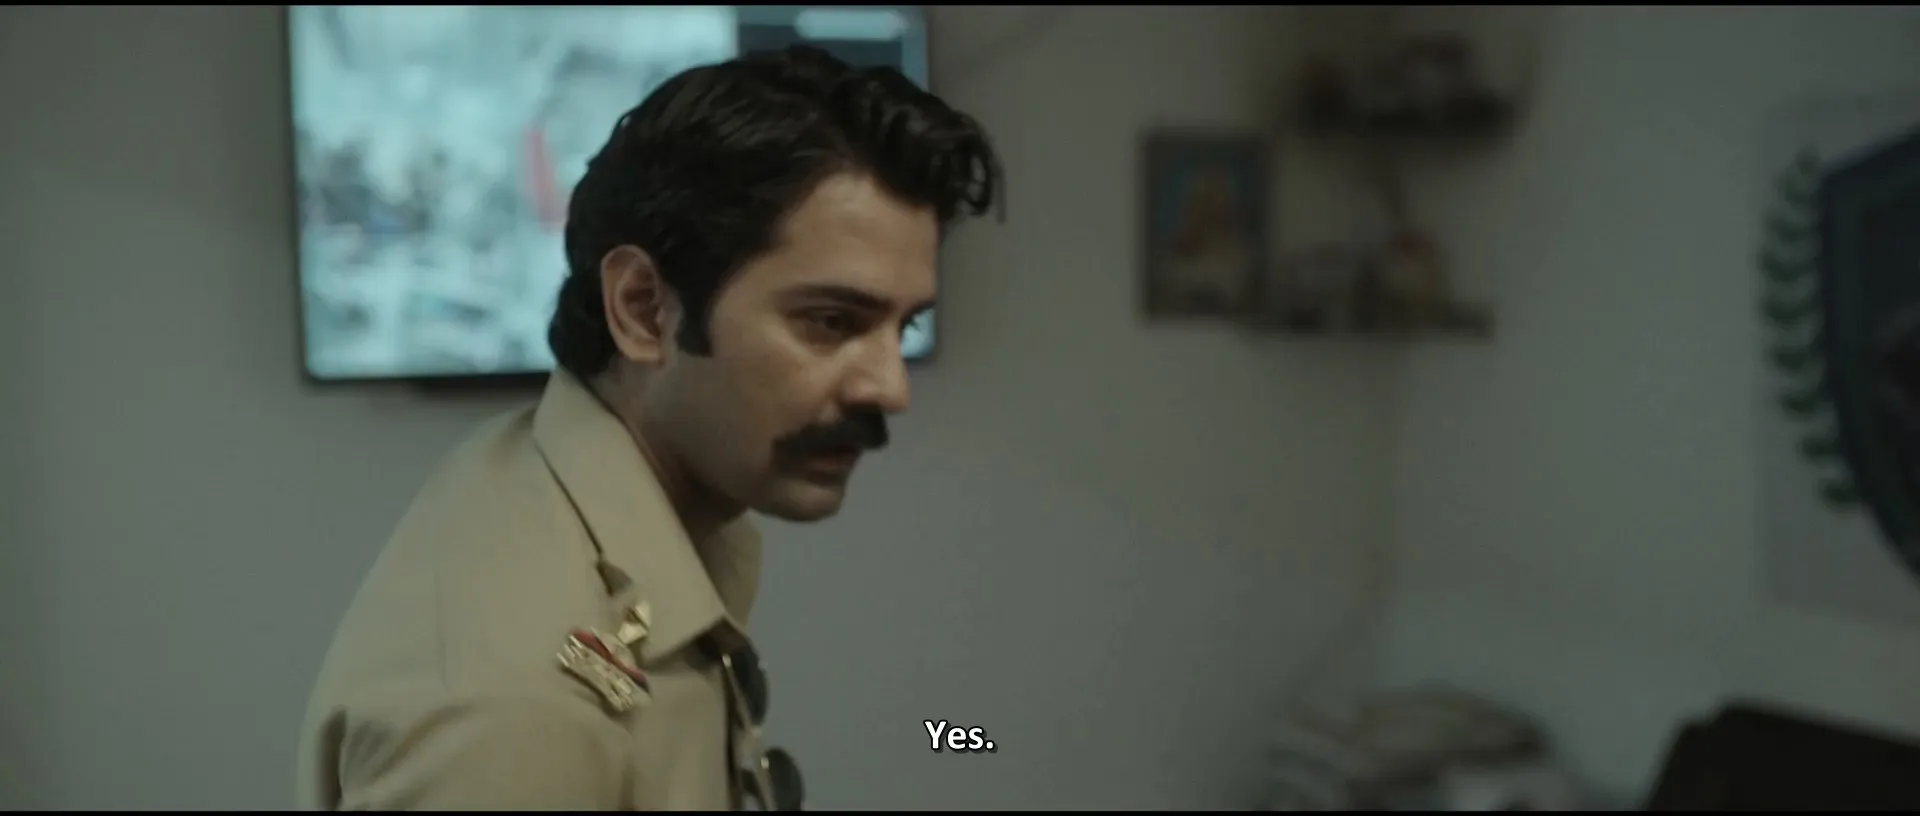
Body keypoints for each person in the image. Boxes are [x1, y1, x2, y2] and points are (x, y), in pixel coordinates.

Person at [296, 44, 1002, 811]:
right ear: (641, 309)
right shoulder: (517, 712)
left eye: (904, 327)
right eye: (831, 321)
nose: (890, 389)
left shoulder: (546, 484)